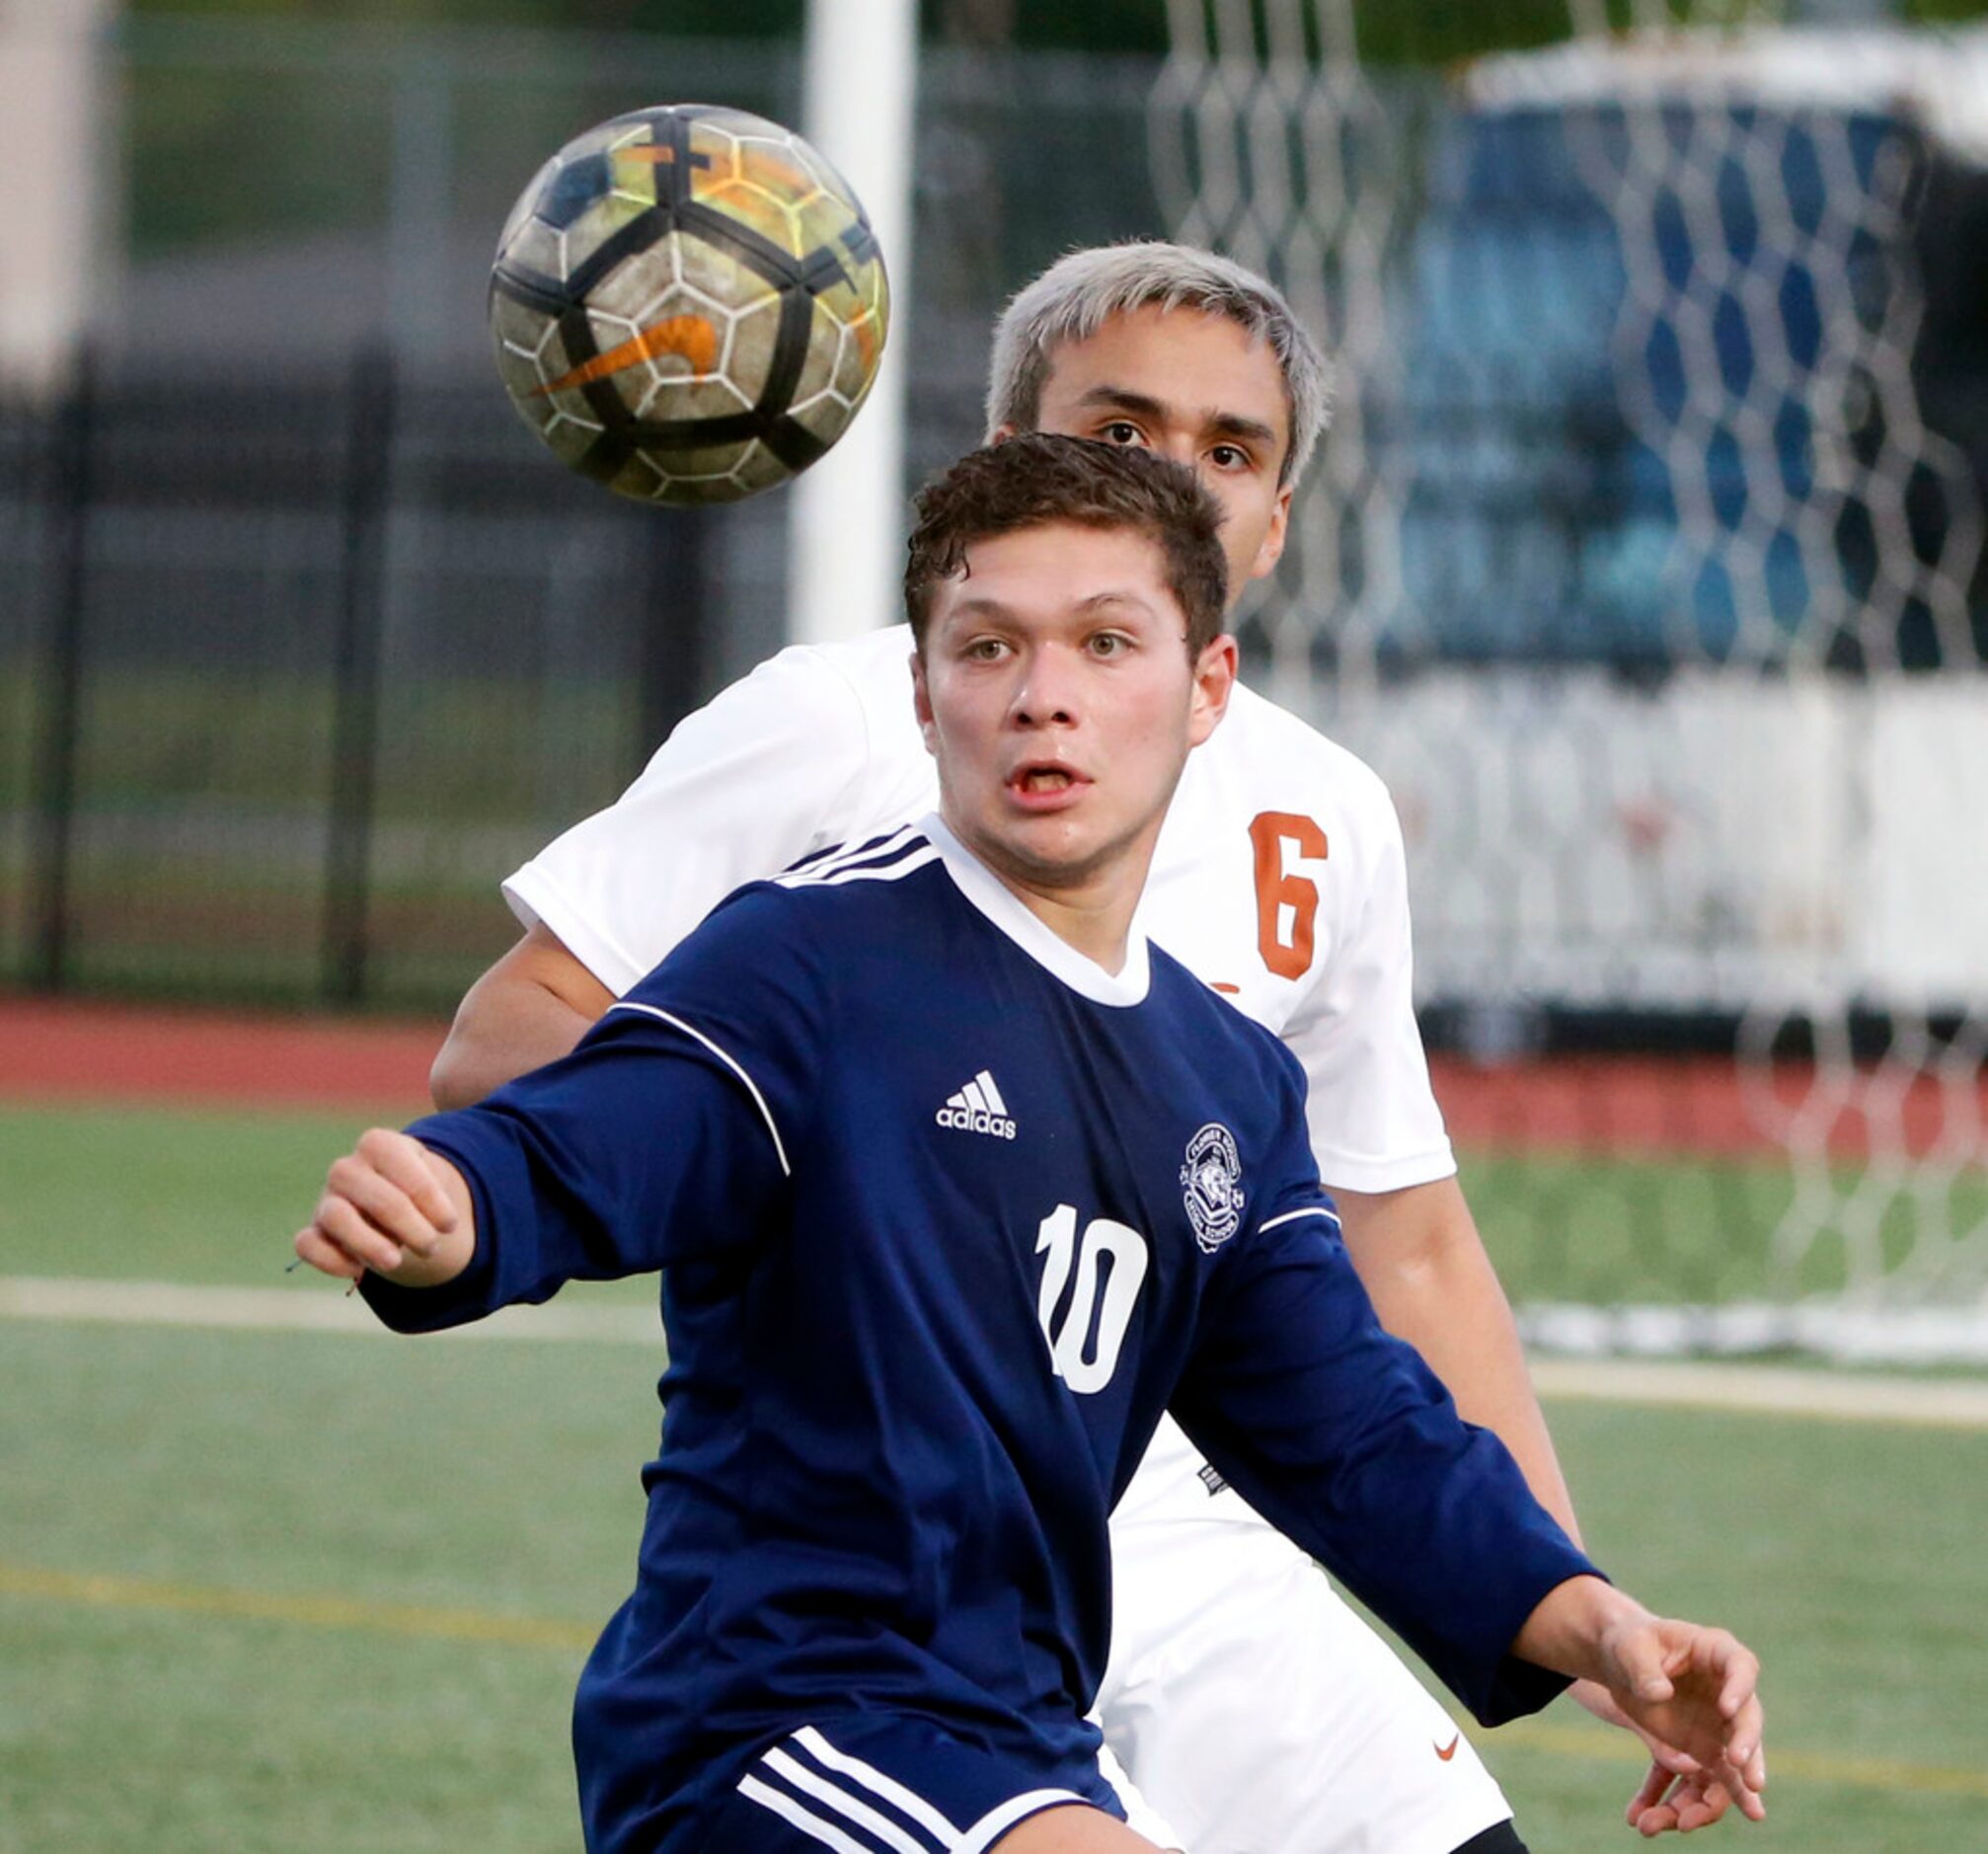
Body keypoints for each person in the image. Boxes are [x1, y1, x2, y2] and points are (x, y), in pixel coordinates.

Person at [432, 243, 1746, 1848]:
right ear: (1011, 457)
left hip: (1208, 1547)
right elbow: (517, 1051)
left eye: (1231, 451)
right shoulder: (850, 725)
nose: (1178, 479)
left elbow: (1398, 1250)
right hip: (904, 1557)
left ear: (1269, 528)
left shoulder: (1324, 815)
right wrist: (729, 1196)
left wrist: (1570, 1600)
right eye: (1121, 433)